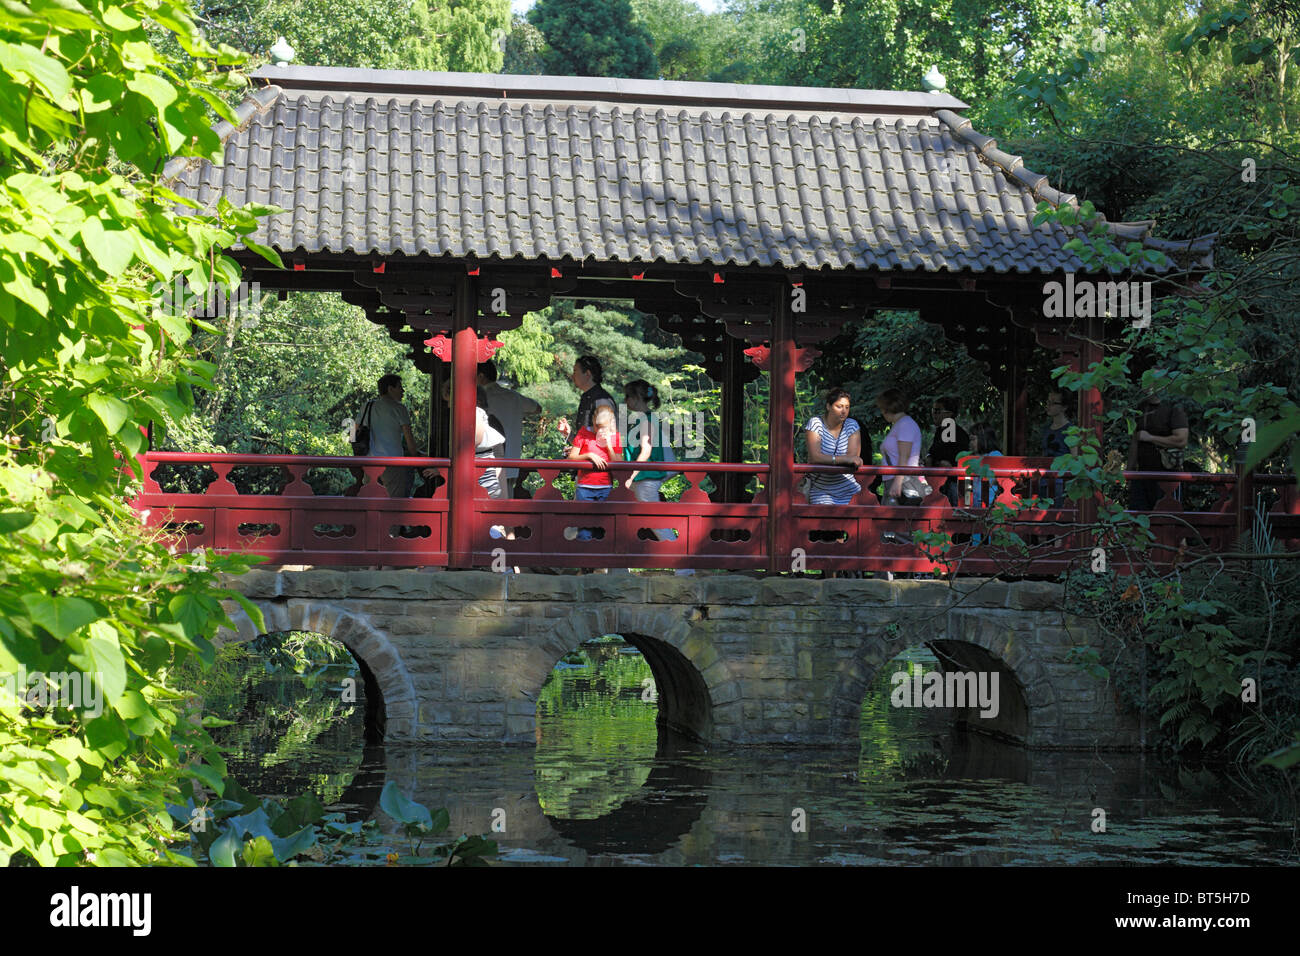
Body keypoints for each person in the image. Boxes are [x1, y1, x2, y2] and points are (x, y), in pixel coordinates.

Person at [623, 380, 677, 541]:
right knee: (653, 522)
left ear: (635, 398)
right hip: (645, 478)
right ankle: (618, 567)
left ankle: (683, 565)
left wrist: (631, 476)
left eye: (627, 396)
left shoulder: (645, 421)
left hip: (646, 479)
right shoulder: (647, 420)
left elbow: (645, 451)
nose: (625, 401)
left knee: (657, 523)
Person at [478, 360, 541, 496]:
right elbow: (537, 408)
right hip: (511, 461)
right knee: (505, 506)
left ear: (481, 376)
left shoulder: (480, 398)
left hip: (486, 464)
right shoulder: (514, 397)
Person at [1127, 384, 1189, 511]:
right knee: (1138, 518)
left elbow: (1181, 440)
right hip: (1142, 475)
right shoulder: (1140, 408)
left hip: (1168, 476)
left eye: (1153, 382)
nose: (1148, 386)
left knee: (1167, 517)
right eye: (1146, 382)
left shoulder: (1174, 407)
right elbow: (1135, 441)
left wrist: (1150, 438)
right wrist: (1129, 472)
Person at [567, 404, 622, 541]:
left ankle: (602, 560)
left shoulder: (615, 437)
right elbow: (572, 458)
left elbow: (619, 463)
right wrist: (589, 455)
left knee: (602, 527)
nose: (600, 430)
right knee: (584, 528)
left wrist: (608, 445)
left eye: (604, 427)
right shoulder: (584, 433)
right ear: (593, 422)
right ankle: (583, 559)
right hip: (585, 487)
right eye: (597, 426)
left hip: (605, 487)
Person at [804, 388, 866, 505]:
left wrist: (831, 459)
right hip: (822, 489)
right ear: (828, 406)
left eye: (847, 407)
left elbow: (853, 458)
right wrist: (845, 459)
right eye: (839, 406)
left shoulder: (852, 425)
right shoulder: (816, 423)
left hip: (849, 487)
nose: (843, 411)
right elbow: (815, 457)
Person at [367, 373, 418, 498]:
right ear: (390, 389)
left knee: (369, 502)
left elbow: (354, 432)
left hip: (369, 462)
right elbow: (410, 442)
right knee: (394, 502)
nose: (403, 391)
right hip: (393, 463)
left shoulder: (368, 406)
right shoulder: (399, 409)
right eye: (400, 387)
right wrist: (418, 458)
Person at [876, 389, 924, 506]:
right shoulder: (900, 424)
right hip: (895, 480)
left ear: (887, 408)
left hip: (900, 482)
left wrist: (898, 482)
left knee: (893, 521)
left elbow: (904, 455)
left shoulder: (905, 424)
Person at [557, 355, 615, 443]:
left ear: (588, 374)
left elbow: (606, 442)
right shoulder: (586, 398)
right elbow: (584, 442)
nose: (572, 376)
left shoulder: (601, 400)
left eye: (575, 371)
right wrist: (569, 434)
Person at [926, 395, 969, 507]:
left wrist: (932, 459)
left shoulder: (950, 429)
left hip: (954, 483)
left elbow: (941, 454)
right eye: (933, 410)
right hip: (947, 482)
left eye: (937, 411)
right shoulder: (943, 430)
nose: (934, 414)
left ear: (949, 414)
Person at [1039, 390, 1072, 503]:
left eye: (1053, 403)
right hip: (1044, 479)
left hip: (1061, 481)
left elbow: (1075, 458)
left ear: (1064, 407)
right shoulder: (1046, 429)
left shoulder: (1071, 430)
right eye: (1048, 402)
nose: (1048, 406)